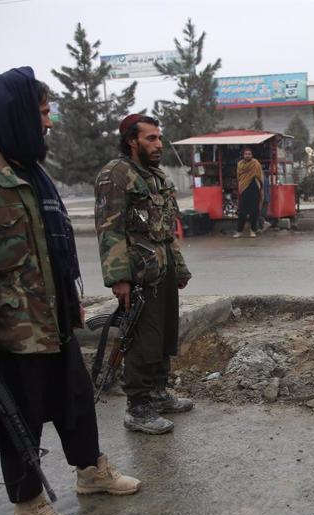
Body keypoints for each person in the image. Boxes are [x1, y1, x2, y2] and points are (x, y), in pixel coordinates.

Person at [0, 67, 140, 515]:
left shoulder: (31, 171)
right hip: (10, 330)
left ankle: (90, 472)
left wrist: (70, 303)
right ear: (19, 114)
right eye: (44, 113)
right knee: (19, 419)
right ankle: (28, 506)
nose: (48, 123)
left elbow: (51, 250)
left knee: (75, 402)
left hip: (51, 319)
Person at [95, 114, 193, 435]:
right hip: (138, 274)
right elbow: (109, 231)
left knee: (165, 334)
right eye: (151, 139)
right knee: (141, 339)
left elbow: (166, 231)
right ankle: (137, 408)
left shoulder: (157, 177)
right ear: (131, 141)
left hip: (161, 270)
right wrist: (119, 278)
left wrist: (178, 266)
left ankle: (158, 393)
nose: (159, 145)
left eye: (159, 138)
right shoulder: (116, 175)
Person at [234, 146, 265, 238]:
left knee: (254, 211)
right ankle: (239, 231)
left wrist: (260, 187)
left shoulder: (255, 163)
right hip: (243, 188)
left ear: (252, 155)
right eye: (246, 154)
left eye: (249, 154)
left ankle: (253, 231)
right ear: (243, 155)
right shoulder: (240, 164)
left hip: (254, 187)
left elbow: (260, 175)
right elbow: (239, 176)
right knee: (242, 211)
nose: (247, 155)